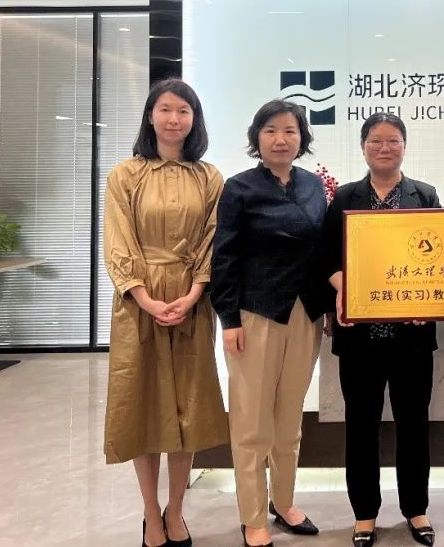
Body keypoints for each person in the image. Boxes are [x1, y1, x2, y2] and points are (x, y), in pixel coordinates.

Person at [103, 77, 229, 547]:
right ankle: (149, 513)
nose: (174, 119)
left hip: (192, 299)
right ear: (150, 116)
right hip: (139, 301)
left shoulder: (209, 177)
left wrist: (194, 293)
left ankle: (176, 510)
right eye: (166, 109)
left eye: (184, 111)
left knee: (187, 408)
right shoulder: (125, 175)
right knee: (142, 404)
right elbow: (118, 239)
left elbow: (214, 238)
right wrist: (144, 297)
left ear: (195, 120)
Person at [211, 100, 332, 547]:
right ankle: (253, 515)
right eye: (271, 131)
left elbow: (322, 253)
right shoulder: (239, 188)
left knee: (289, 418)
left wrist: (329, 307)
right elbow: (224, 256)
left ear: (302, 139)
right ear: (256, 138)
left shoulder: (312, 186)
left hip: (305, 313)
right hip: (255, 315)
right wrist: (228, 318)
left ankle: (284, 502)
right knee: (252, 422)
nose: (281, 139)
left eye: (290, 131)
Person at [323, 113, 441, 547]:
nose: (384, 148)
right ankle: (365, 514)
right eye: (376, 141)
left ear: (404, 147)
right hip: (360, 339)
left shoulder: (424, 195)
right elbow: (326, 257)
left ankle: (416, 509)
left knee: (414, 426)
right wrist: (344, 287)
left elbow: (440, 256)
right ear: (363, 148)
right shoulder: (346, 197)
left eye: (393, 141)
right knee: (361, 427)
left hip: (412, 338)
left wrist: (428, 301)